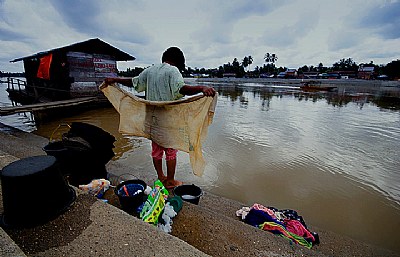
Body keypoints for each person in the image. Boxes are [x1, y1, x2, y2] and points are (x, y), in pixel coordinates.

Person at [104, 46, 216, 189]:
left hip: (151, 120)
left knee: (156, 150)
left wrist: (114, 79)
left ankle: (160, 177)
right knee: (170, 151)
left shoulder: (150, 70)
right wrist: (201, 88)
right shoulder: (172, 71)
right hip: (168, 122)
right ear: (177, 61)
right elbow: (181, 89)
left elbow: (133, 82)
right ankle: (170, 181)